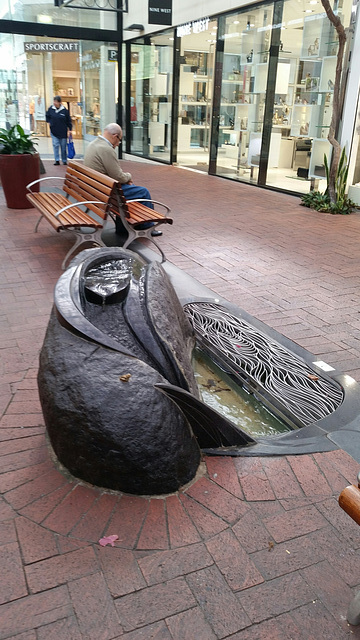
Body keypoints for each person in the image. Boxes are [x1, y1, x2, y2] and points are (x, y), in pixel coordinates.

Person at [84, 122, 161, 237]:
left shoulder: (93, 144)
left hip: (96, 189)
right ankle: (147, 227)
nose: (118, 144)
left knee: (129, 191)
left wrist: (125, 180)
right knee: (143, 192)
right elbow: (118, 176)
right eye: (119, 140)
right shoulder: (106, 149)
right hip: (105, 192)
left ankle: (123, 227)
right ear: (115, 136)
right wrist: (129, 177)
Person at [46, 96, 72, 166]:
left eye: (56, 102)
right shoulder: (51, 109)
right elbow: (47, 116)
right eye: (54, 101)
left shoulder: (64, 111)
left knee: (63, 147)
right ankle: (57, 160)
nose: (55, 103)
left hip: (63, 131)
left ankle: (64, 160)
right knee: (55, 145)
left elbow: (68, 121)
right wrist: (49, 122)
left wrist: (70, 130)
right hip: (54, 131)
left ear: (60, 102)